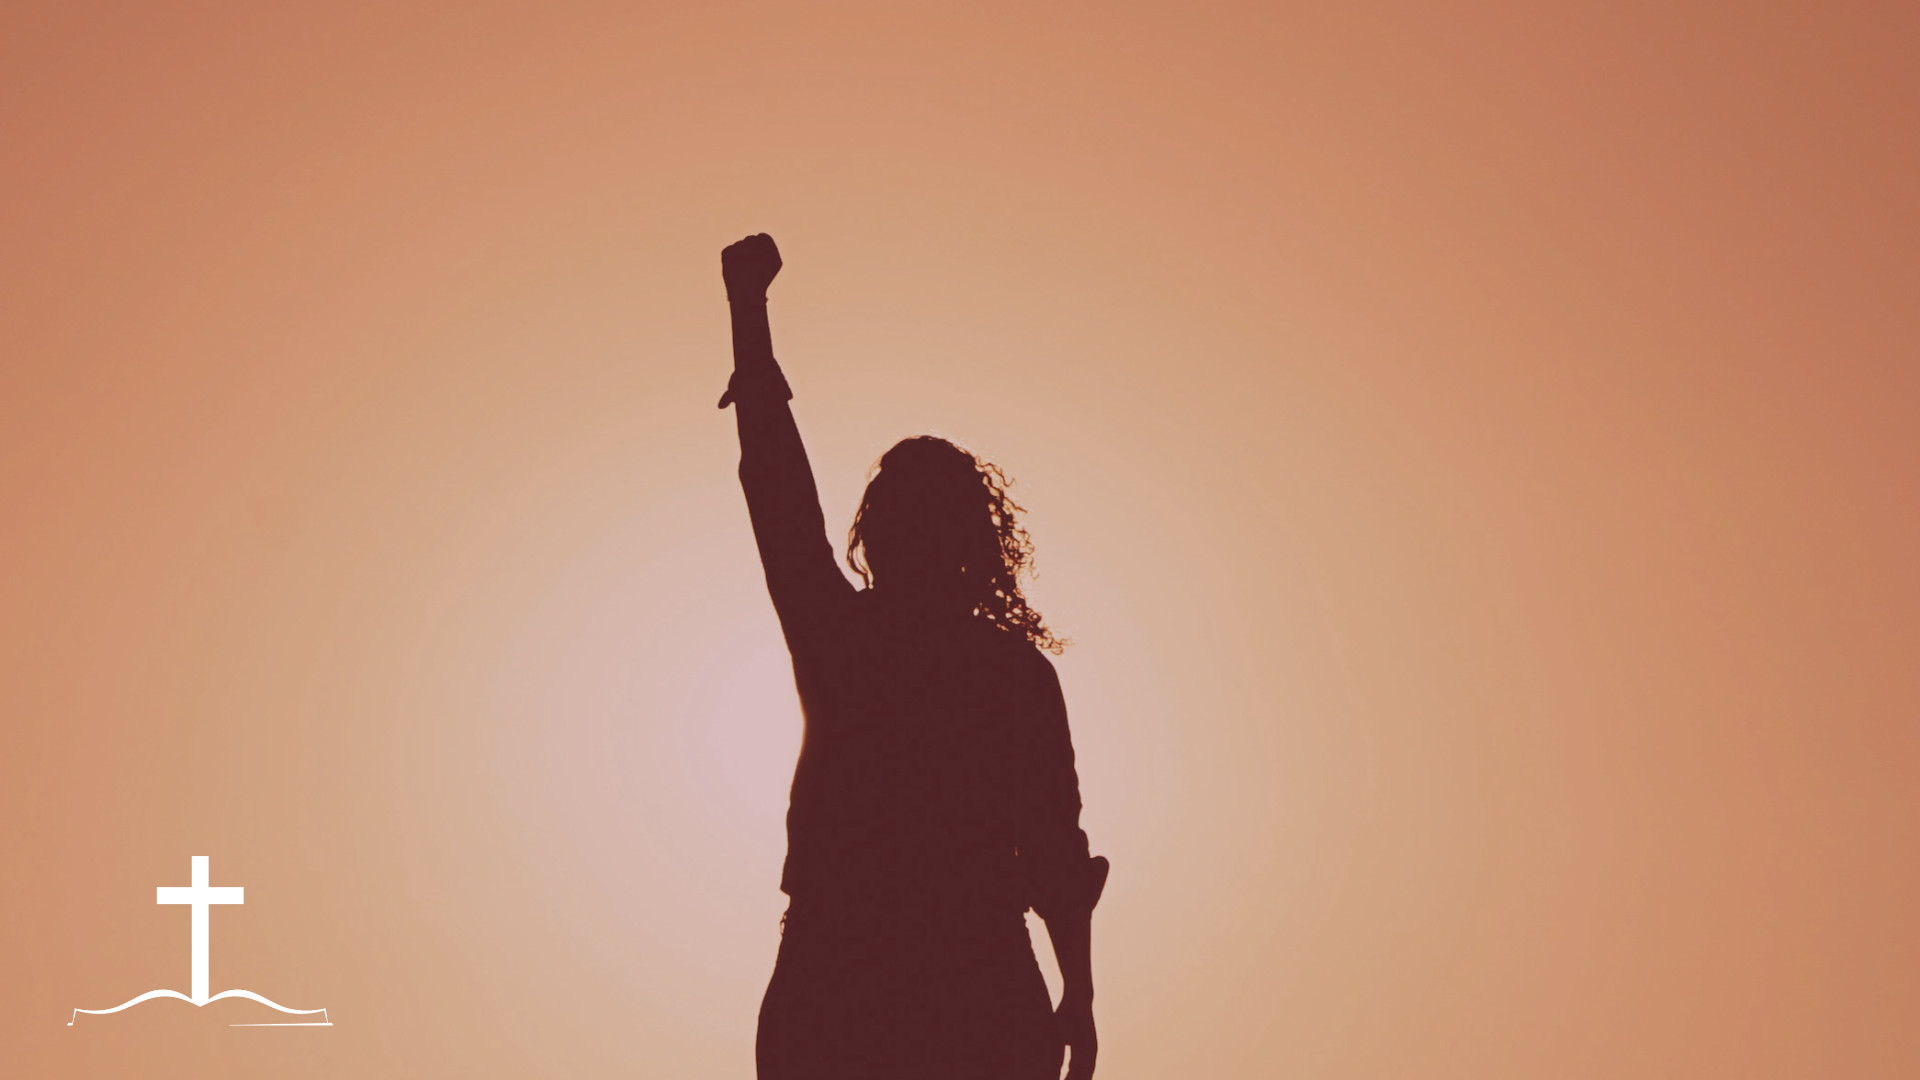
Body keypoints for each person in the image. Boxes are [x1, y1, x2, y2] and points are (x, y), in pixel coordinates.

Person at [718, 233, 1109, 1080]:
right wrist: (1077, 994)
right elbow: (1054, 852)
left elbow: (778, 493)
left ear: (880, 535)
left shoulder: (845, 638)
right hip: (953, 983)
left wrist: (748, 312)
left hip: (854, 980)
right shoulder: (1008, 673)